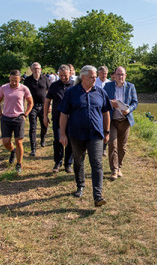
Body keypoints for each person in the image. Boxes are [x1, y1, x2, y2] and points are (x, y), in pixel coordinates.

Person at [59, 65, 112, 207]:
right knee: (78, 161)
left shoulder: (100, 92)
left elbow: (106, 113)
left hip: (95, 134)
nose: (95, 78)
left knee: (97, 163)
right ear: (83, 77)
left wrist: (107, 132)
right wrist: (62, 133)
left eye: (95, 76)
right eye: (92, 76)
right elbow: (63, 114)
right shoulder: (71, 93)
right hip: (76, 134)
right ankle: (80, 185)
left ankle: (98, 195)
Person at [103, 66, 138, 180]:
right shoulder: (108, 86)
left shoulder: (131, 87)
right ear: (114, 75)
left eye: (122, 74)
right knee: (112, 145)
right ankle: (114, 170)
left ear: (125, 76)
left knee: (122, 147)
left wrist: (129, 109)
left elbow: (135, 102)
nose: (120, 77)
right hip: (112, 120)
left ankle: (119, 167)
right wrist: (110, 103)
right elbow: (102, 100)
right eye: (118, 74)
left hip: (125, 120)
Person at [0, 70, 33, 173]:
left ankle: (19, 164)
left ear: (20, 79)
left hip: (18, 118)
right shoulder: (3, 88)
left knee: (18, 141)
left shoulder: (24, 88)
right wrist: (0, 114)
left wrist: (25, 115)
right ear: (9, 78)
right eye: (12, 80)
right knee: (6, 142)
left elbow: (31, 103)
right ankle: (12, 151)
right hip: (6, 118)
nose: (14, 83)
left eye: (16, 81)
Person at [43, 64, 74, 173]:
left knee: (70, 141)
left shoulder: (75, 86)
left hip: (71, 119)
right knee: (58, 140)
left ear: (70, 73)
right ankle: (58, 162)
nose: (63, 77)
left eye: (65, 75)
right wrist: (45, 116)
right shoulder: (54, 86)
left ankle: (68, 164)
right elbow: (47, 101)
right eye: (61, 75)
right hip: (57, 117)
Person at [23, 62, 50, 156]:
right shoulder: (27, 80)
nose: (36, 70)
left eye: (38, 68)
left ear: (41, 69)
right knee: (33, 127)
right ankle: (33, 148)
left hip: (43, 106)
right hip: (32, 106)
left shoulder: (45, 79)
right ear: (31, 70)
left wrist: (50, 105)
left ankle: (43, 139)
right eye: (34, 68)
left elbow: (50, 92)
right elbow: (23, 93)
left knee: (44, 125)